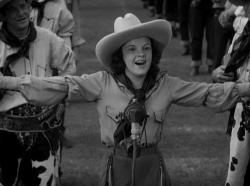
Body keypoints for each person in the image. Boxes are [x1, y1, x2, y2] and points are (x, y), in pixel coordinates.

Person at [1, 13, 250, 186]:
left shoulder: (168, 85)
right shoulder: (102, 82)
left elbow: (208, 94)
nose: (140, 54)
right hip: (116, 169)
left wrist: (246, 88)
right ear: (120, 55)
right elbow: (61, 85)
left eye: (146, 47)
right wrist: (10, 82)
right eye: (132, 49)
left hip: (153, 170)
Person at [0, 0, 76, 185]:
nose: (22, 13)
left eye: (24, 6)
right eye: (14, 9)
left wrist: (55, 94)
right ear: (3, 15)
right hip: (4, 130)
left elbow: (70, 69)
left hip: (44, 128)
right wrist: (19, 83)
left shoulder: (47, 38)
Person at [212, 0, 250, 185]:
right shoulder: (242, 34)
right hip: (242, 117)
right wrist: (218, 73)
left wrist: (238, 89)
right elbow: (229, 65)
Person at [189, 0, 215, 76]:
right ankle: (195, 64)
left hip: (212, 4)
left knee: (212, 36)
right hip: (196, 5)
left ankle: (211, 64)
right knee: (195, 35)